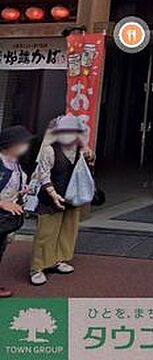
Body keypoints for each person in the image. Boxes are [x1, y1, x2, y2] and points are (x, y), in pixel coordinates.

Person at [29, 115, 93, 286]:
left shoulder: (80, 150)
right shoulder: (49, 149)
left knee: (67, 229)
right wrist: (53, 194)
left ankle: (57, 260)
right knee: (46, 232)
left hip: (71, 196)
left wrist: (88, 153)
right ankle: (37, 267)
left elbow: (87, 167)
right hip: (50, 198)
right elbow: (43, 175)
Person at [0, 126, 33, 298]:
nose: (25, 146)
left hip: (5, 218)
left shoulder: (15, 164)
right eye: (22, 143)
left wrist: (22, 191)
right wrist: (2, 203)